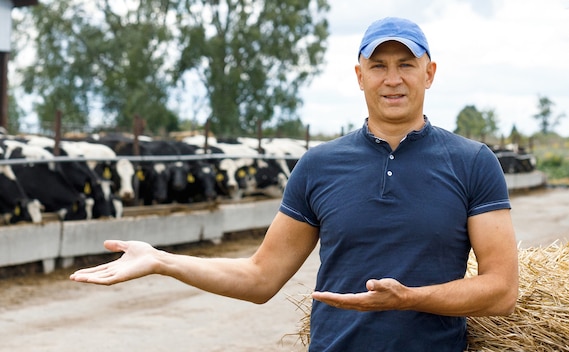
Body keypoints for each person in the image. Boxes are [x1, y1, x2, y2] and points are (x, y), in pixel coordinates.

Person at [70, 17, 519, 351]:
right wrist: (162, 260)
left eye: (406, 64)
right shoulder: (319, 165)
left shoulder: (472, 162)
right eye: (378, 65)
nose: (393, 78)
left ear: (430, 73)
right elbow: (260, 278)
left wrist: (408, 299)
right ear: (359, 76)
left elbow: (501, 290)